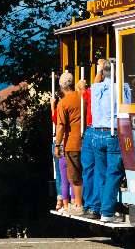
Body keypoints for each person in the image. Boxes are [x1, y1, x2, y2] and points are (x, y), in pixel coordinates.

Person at [89, 59, 124, 222]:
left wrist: (100, 69)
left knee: (101, 172)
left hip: (96, 133)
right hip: (112, 133)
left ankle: (100, 208)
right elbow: (127, 108)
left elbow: (96, 81)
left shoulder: (97, 88)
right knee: (113, 172)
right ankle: (107, 212)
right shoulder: (121, 88)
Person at [54, 71, 84, 215]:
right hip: (86, 140)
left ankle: (78, 204)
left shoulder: (63, 103)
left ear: (61, 87)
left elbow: (60, 126)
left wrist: (58, 144)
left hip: (71, 143)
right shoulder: (81, 96)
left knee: (74, 176)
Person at [78, 64, 100, 219]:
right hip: (101, 130)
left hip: (90, 130)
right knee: (99, 170)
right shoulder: (114, 91)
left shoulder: (94, 92)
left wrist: (98, 71)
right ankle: (94, 206)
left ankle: (89, 205)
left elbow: (83, 92)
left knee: (89, 169)